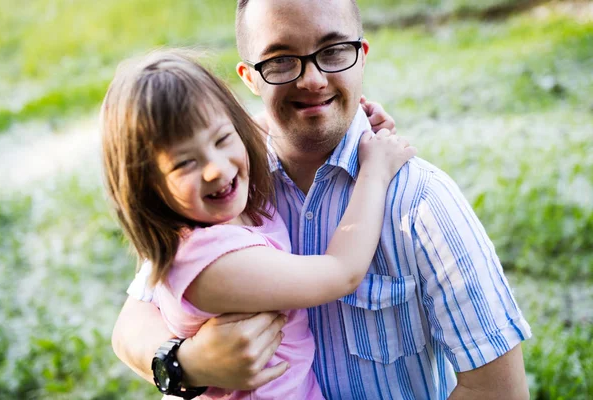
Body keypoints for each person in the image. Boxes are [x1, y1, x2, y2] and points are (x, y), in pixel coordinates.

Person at [113, 0, 533, 399]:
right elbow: (131, 325)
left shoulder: (420, 202)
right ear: (249, 77)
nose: (311, 80)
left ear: (362, 55)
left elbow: (499, 391)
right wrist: (187, 364)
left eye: (333, 52)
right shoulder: (221, 203)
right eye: (280, 60)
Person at [101, 48, 415, 399]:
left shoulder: (225, 204)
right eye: (184, 163)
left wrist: (352, 115)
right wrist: (375, 171)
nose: (216, 167)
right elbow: (341, 272)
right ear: (148, 189)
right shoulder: (211, 262)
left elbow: (259, 125)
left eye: (221, 140)